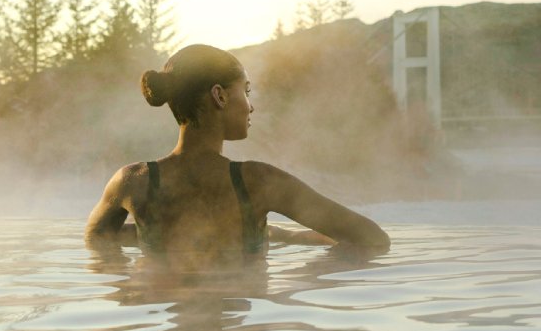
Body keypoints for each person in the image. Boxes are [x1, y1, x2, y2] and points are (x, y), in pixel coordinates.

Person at [86, 44, 390, 265]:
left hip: (162, 328)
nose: (250, 106)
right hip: (241, 323)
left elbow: (97, 240)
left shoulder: (133, 181)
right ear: (219, 95)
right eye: (246, 90)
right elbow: (373, 238)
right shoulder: (258, 182)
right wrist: (299, 283)